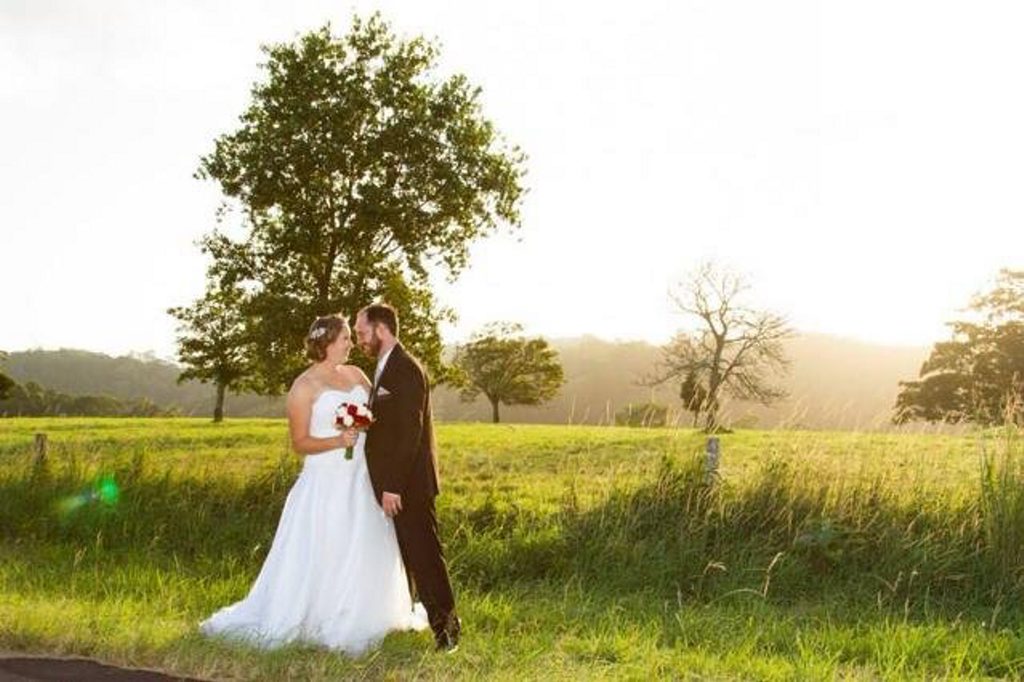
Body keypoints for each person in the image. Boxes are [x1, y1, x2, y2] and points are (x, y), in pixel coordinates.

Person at [199, 314, 427, 655]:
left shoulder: (357, 375)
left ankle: (367, 614)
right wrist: (338, 440)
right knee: (328, 547)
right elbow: (300, 443)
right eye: (346, 338)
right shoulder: (303, 387)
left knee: (363, 544)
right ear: (328, 342)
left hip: (362, 477)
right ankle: (321, 616)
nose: (351, 344)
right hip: (325, 482)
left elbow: (382, 413)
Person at [354, 303, 461, 653]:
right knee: (408, 557)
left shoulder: (406, 368)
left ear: (381, 329)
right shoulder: (385, 365)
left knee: (425, 557)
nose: (359, 340)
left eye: (362, 332)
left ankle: (448, 632)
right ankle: (412, 617)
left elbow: (409, 433)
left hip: (409, 485)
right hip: (398, 484)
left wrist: (393, 486)